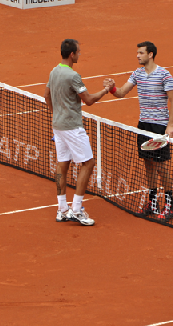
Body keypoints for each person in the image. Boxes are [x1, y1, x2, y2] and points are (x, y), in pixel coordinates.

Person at [107, 42, 173, 222]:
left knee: (161, 166)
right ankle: (153, 202)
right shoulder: (137, 74)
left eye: (141, 53)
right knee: (148, 164)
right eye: (137, 53)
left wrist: (170, 125)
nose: (137, 56)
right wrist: (112, 88)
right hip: (143, 125)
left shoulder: (164, 74)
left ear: (151, 54)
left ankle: (170, 206)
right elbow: (122, 92)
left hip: (159, 127)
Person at [44, 39, 113, 226]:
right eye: (79, 52)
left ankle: (61, 209)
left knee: (62, 165)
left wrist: (56, 115)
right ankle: (76, 209)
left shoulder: (54, 71)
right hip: (72, 127)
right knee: (88, 163)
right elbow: (89, 100)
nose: (80, 54)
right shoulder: (73, 76)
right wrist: (106, 90)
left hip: (58, 126)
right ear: (72, 54)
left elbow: (46, 95)